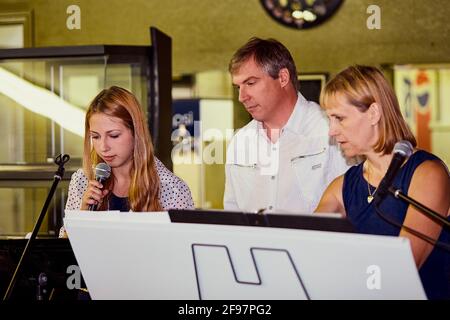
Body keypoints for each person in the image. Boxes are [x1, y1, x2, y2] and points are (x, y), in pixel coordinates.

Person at [315, 65, 450, 299]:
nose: (332, 131)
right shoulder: (341, 187)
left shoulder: (427, 174)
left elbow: (403, 267)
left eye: (339, 118)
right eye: (329, 119)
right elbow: (308, 247)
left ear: (374, 113)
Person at [224, 37, 351, 214]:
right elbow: (233, 213)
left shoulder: (331, 131)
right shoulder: (240, 142)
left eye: (250, 83)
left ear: (283, 77)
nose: (242, 97)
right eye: (238, 87)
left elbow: (353, 206)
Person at [61, 86, 194, 232]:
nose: (103, 147)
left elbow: (182, 250)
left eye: (114, 135)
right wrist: (81, 218)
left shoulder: (172, 189)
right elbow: (61, 251)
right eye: (95, 137)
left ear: (136, 133)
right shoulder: (82, 180)